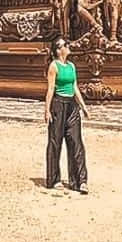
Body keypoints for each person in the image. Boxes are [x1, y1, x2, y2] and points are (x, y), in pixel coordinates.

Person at [43, 38, 89, 194]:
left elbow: (74, 87)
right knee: (55, 142)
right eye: (65, 45)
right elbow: (50, 89)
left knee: (76, 142)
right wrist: (47, 110)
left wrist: (83, 106)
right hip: (58, 104)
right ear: (58, 50)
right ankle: (54, 179)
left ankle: (79, 181)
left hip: (71, 106)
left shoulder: (71, 66)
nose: (68, 47)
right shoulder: (54, 66)